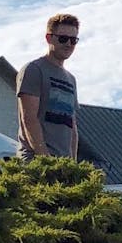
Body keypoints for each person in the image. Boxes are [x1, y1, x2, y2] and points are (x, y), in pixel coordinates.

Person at [16, 13, 80, 160]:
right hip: (34, 161)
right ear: (49, 38)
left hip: (62, 164)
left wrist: (72, 163)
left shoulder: (71, 79)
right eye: (63, 38)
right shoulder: (34, 70)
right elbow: (29, 119)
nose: (68, 44)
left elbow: (72, 127)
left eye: (73, 40)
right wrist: (46, 160)